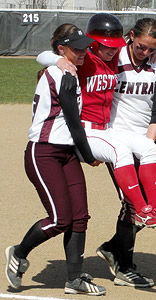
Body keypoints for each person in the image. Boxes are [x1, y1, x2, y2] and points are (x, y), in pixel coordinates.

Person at [36, 13, 156, 288]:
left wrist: (147, 144)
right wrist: (59, 59)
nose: (145, 52)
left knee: (154, 200)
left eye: (151, 48)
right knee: (133, 205)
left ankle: (114, 248)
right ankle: (124, 265)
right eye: (140, 46)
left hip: (141, 137)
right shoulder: (114, 55)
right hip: (110, 135)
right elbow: (53, 54)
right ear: (130, 38)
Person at [5, 23, 107, 296]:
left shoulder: (67, 69)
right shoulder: (60, 74)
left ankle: (74, 279)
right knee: (60, 219)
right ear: (62, 50)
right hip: (44, 152)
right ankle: (18, 252)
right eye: (77, 48)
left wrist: (80, 153)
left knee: (79, 217)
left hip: (65, 153)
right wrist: (89, 155)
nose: (83, 52)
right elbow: (74, 122)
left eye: (85, 46)